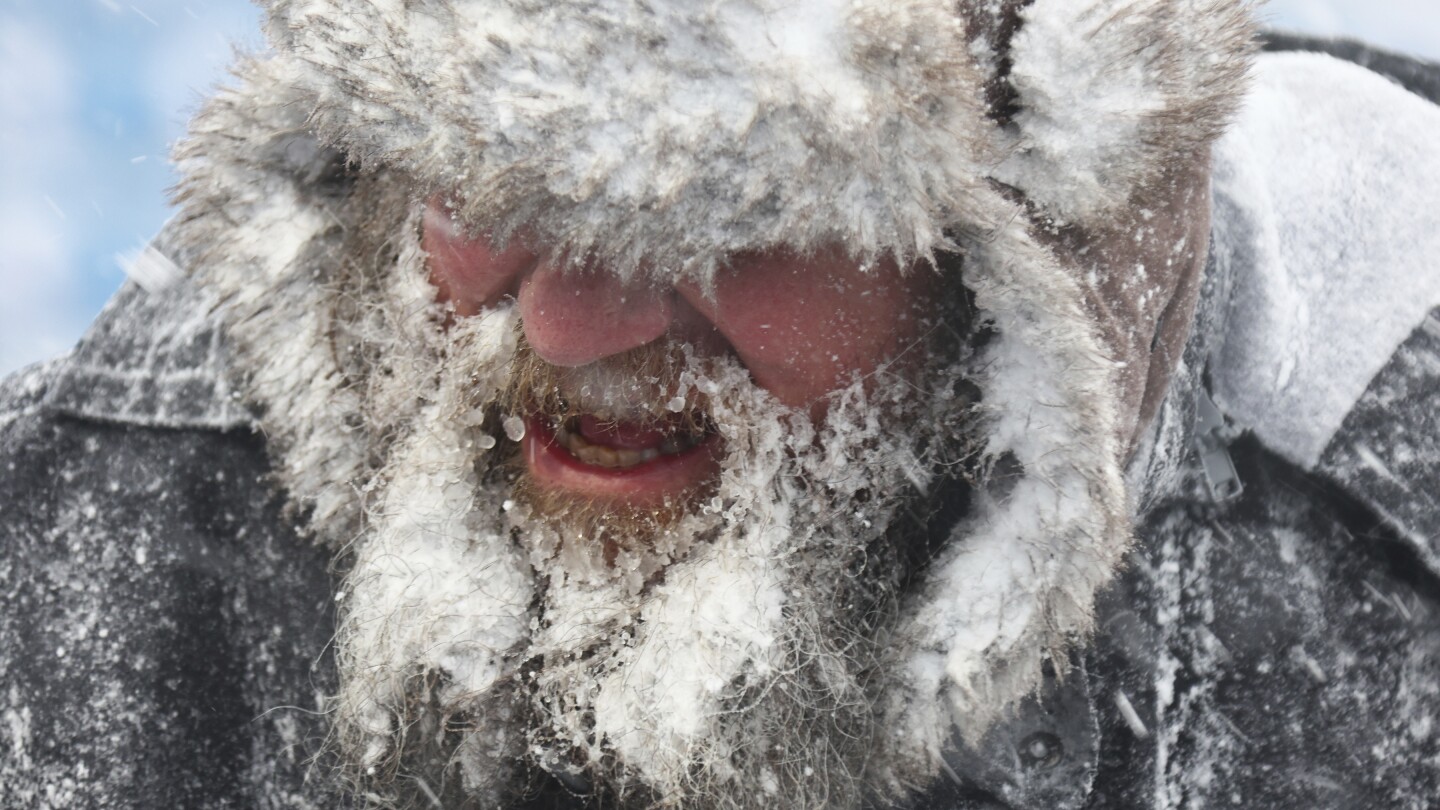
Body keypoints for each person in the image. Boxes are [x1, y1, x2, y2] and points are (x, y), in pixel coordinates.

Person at [2, 1, 1438, 807]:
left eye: (728, 218)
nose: (569, 320)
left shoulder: (1378, 584)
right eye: (486, 189)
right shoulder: (86, 554)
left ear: (1029, 237)